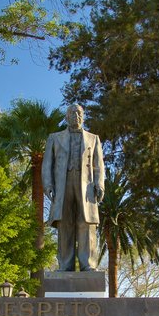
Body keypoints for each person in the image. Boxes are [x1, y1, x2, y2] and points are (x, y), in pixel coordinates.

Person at [42, 103, 105, 272]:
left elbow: (98, 165)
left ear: (83, 117)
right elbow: (47, 164)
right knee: (64, 223)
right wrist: (48, 184)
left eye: (79, 113)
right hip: (63, 184)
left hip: (87, 186)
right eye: (72, 113)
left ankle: (88, 264)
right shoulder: (54, 138)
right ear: (66, 117)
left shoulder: (93, 138)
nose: (76, 116)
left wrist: (99, 184)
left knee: (86, 223)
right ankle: (65, 264)